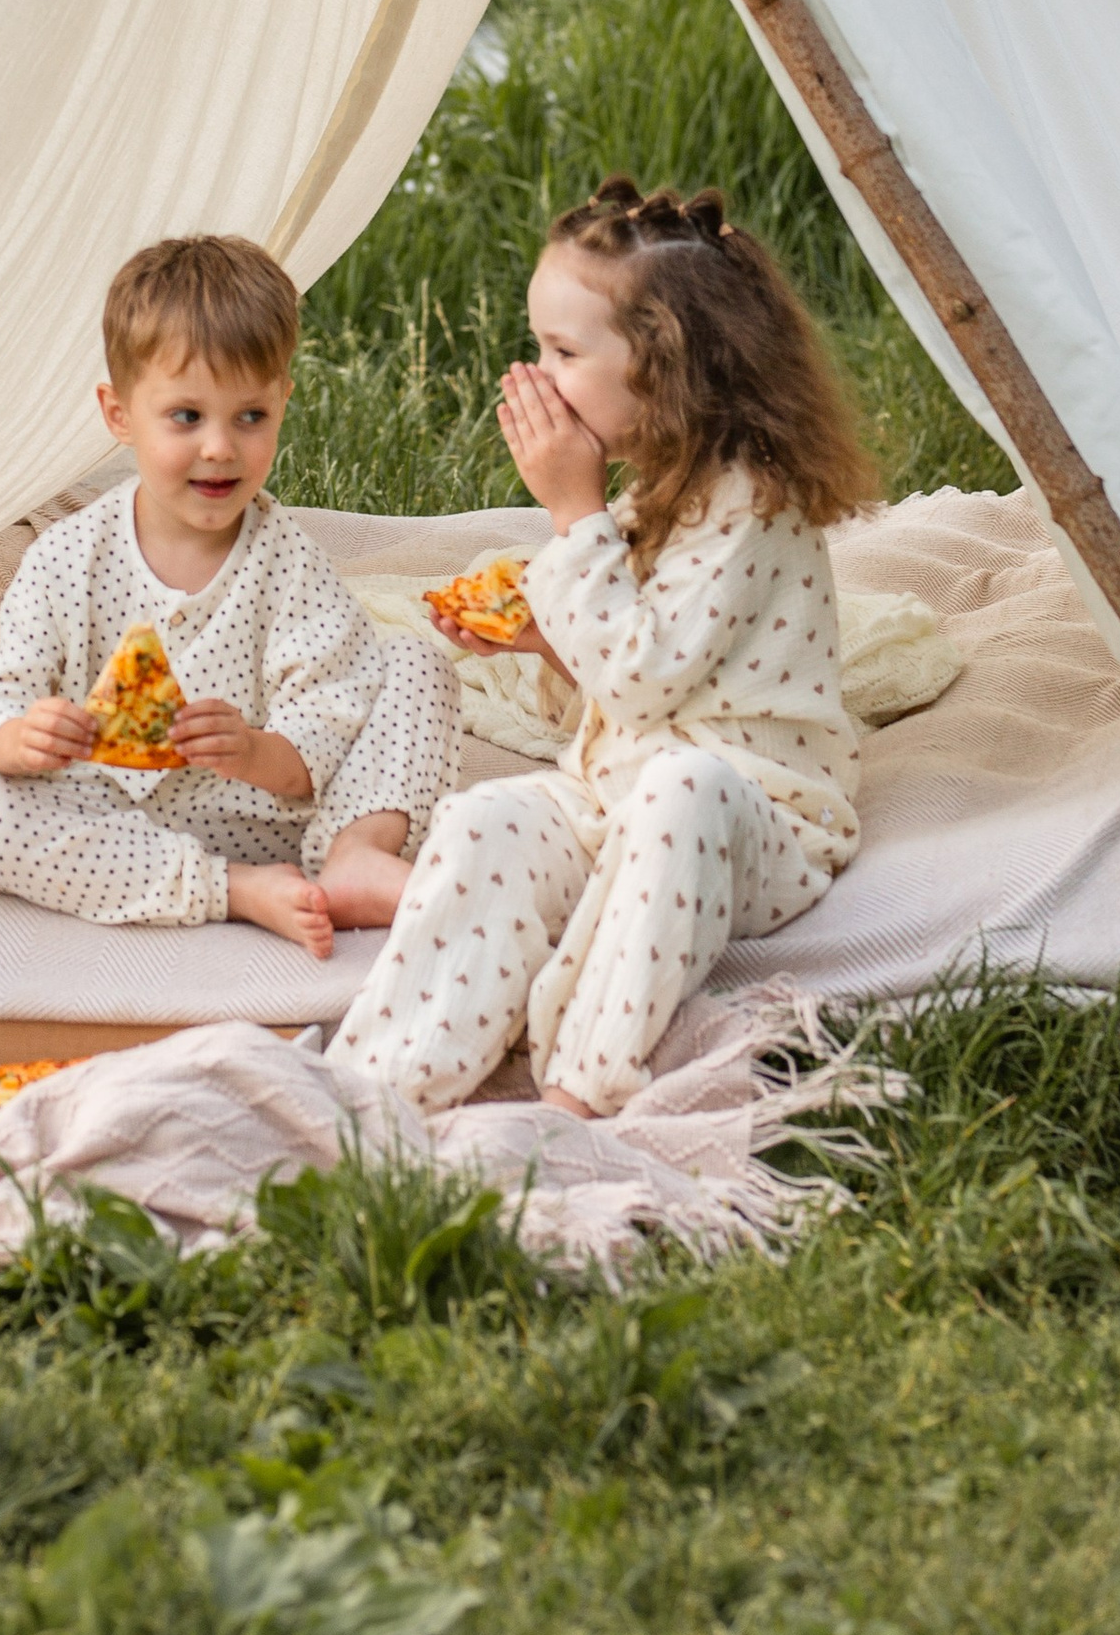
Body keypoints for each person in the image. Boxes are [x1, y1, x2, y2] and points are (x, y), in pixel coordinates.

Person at [330, 178, 871, 1116]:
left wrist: (570, 510)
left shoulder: (752, 501)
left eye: (563, 351)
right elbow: (618, 677)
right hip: (613, 798)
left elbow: (646, 681)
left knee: (680, 784)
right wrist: (541, 641)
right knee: (486, 816)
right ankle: (381, 1085)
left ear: (666, 369)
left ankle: (584, 1086)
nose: (535, 375)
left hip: (747, 819)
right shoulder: (654, 490)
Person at [0, 235, 458, 959]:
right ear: (119, 414)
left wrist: (253, 752)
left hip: (279, 821)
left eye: (250, 417)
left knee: (413, 662)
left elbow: (326, 725)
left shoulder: (287, 562)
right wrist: (16, 739)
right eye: (187, 417)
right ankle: (235, 891)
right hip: (116, 819)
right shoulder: (67, 557)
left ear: (283, 401)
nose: (220, 447)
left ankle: (353, 857)